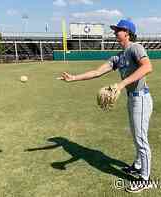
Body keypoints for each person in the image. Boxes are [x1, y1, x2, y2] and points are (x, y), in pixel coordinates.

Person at [57, 19, 154, 193]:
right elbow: (97, 72)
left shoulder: (135, 48)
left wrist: (122, 83)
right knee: (135, 135)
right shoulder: (119, 56)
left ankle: (145, 178)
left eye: (118, 30)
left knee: (141, 139)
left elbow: (147, 67)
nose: (115, 32)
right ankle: (138, 165)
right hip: (132, 99)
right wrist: (74, 78)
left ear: (127, 32)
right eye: (115, 29)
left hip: (141, 99)